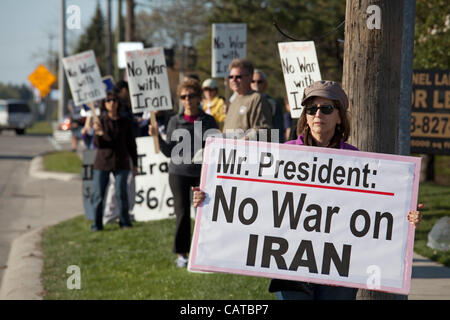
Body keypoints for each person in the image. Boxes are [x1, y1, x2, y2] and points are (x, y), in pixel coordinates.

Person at [192, 80, 423, 300]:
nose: (318, 115)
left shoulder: (357, 160)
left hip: (339, 268)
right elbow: (247, 194)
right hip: (288, 263)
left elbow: (379, 209)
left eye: (326, 108)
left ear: (340, 116)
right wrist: (209, 196)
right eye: (311, 109)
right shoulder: (284, 153)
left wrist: (406, 217)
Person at [148, 79, 218, 268]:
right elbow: (169, 151)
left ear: (198, 98)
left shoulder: (208, 121)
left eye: (191, 96)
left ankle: (206, 250)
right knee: (182, 214)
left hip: (201, 174)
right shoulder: (174, 121)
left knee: (204, 213)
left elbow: (215, 149)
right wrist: (158, 138)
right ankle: (182, 253)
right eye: (183, 96)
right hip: (178, 173)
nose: (187, 100)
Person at [91, 91, 138, 231]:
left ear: (118, 103)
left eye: (114, 100)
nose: (112, 103)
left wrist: (135, 163)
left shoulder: (125, 122)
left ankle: (124, 222)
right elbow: (98, 144)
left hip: (121, 162)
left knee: (121, 192)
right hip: (103, 163)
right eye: (108, 101)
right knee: (99, 195)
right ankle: (97, 224)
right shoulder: (100, 121)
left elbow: (131, 144)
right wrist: (98, 132)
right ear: (104, 104)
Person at [222, 58, 273, 141]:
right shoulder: (233, 101)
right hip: (229, 151)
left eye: (238, 77)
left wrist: (243, 141)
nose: (233, 80)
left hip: (245, 151)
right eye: (231, 77)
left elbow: (263, 130)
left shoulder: (256, 98)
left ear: (250, 77)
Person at [251, 69, 285, 142]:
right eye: (252, 81)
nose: (256, 84)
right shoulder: (244, 101)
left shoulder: (273, 103)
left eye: (259, 82)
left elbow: (278, 127)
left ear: (265, 84)